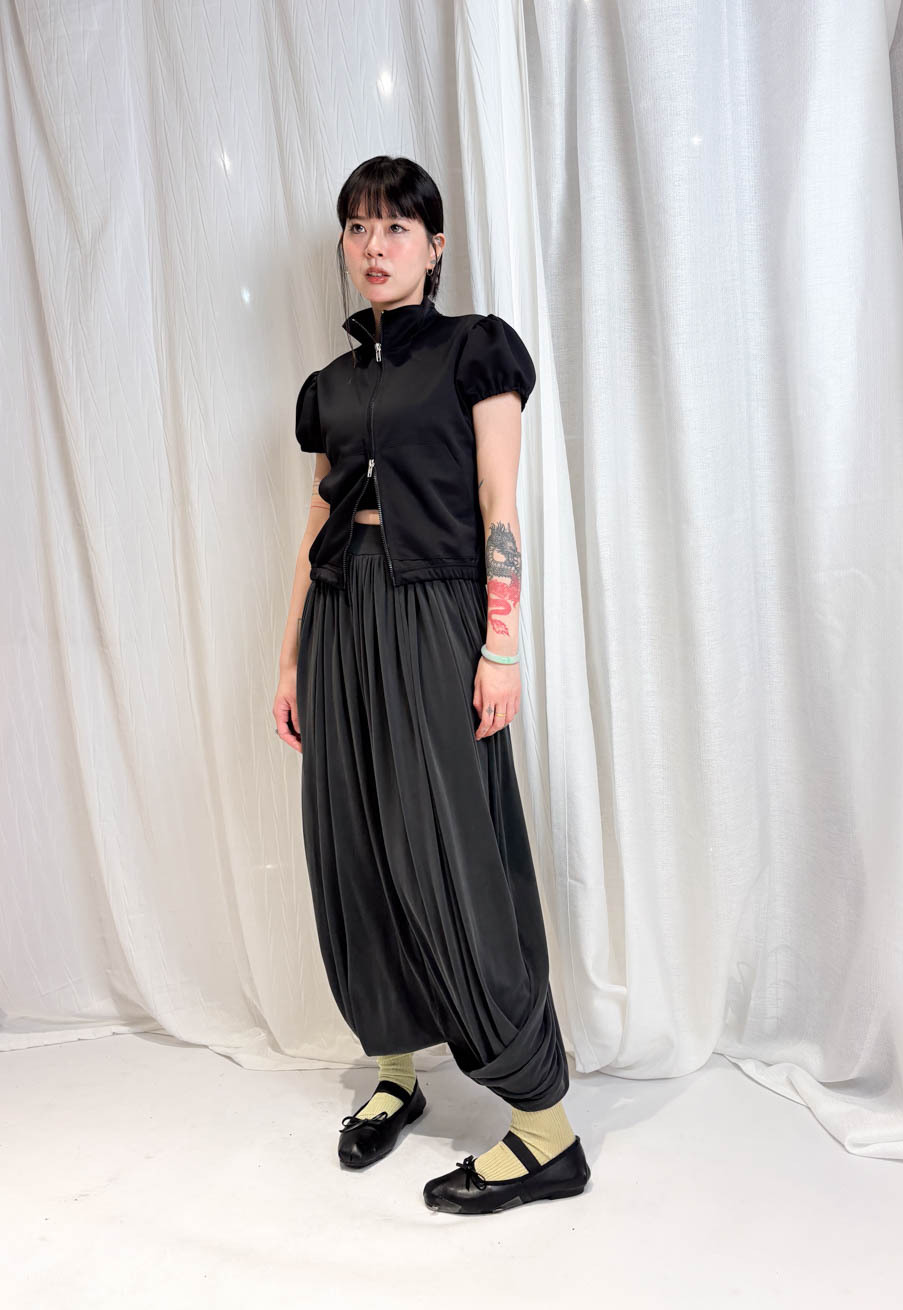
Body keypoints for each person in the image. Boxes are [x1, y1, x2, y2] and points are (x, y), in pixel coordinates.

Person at [273, 155, 591, 1215]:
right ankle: (397, 1071)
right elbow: (318, 520)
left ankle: (544, 1129)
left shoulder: (474, 350)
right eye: (359, 227)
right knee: (356, 843)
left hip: (436, 615)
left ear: (435, 245)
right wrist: (288, 657)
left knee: (454, 853)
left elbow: (499, 501)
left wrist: (502, 646)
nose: (375, 246)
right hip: (342, 618)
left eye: (397, 228)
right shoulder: (329, 386)